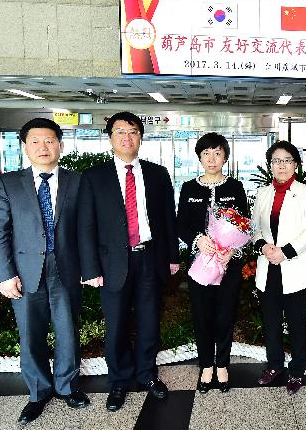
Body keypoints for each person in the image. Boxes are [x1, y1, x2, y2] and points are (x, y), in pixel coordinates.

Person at [0, 118, 89, 426]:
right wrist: (4, 274)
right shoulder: (8, 183)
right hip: (24, 270)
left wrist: (89, 268)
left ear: (60, 145)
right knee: (30, 333)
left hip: (67, 269)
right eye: (35, 141)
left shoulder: (78, 181)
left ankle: (67, 386)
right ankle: (37, 392)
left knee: (68, 329)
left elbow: (87, 229)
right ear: (24, 147)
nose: (43, 147)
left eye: (49, 140)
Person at [77, 112, 180, 411]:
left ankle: (147, 375)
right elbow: (85, 225)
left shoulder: (158, 174)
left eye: (133, 131)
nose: (127, 137)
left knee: (149, 321)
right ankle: (119, 381)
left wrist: (172, 257)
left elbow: (168, 219)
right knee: (117, 324)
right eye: (120, 131)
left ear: (140, 137)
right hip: (112, 263)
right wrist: (90, 268)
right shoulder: (94, 177)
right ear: (110, 138)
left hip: (150, 257)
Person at [176, 132, 249, 394]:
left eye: (217, 153)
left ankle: (222, 365)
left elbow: (245, 225)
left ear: (225, 157)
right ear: (199, 157)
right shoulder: (189, 188)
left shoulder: (235, 187)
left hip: (228, 264)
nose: (211, 158)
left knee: (225, 315)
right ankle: (206, 365)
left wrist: (233, 250)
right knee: (202, 315)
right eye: (206, 153)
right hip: (200, 265)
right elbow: (181, 224)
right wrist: (197, 240)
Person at [252, 141, 306, 395]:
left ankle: (297, 369)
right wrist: (263, 247)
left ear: (296, 165)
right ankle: (274, 365)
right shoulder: (262, 193)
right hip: (268, 266)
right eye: (276, 161)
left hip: (295, 266)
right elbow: (254, 227)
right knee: (271, 322)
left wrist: (285, 252)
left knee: (296, 323)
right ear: (270, 165)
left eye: (287, 160)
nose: (282, 165)